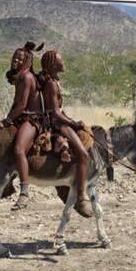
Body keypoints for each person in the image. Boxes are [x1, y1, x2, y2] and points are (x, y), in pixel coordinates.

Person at [38, 50, 93, 218]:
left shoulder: (53, 81)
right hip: (56, 123)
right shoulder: (52, 85)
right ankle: (81, 196)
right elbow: (55, 112)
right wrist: (72, 122)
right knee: (83, 155)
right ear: (53, 64)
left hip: (58, 120)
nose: (64, 62)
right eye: (61, 60)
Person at [0, 41, 44, 210]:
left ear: (26, 61)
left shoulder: (27, 77)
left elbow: (22, 106)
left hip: (32, 120)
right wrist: (7, 119)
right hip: (22, 118)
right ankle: (7, 185)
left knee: (19, 149)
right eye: (14, 57)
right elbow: (16, 105)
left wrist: (7, 121)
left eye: (19, 58)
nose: (15, 60)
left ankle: (24, 192)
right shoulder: (20, 78)